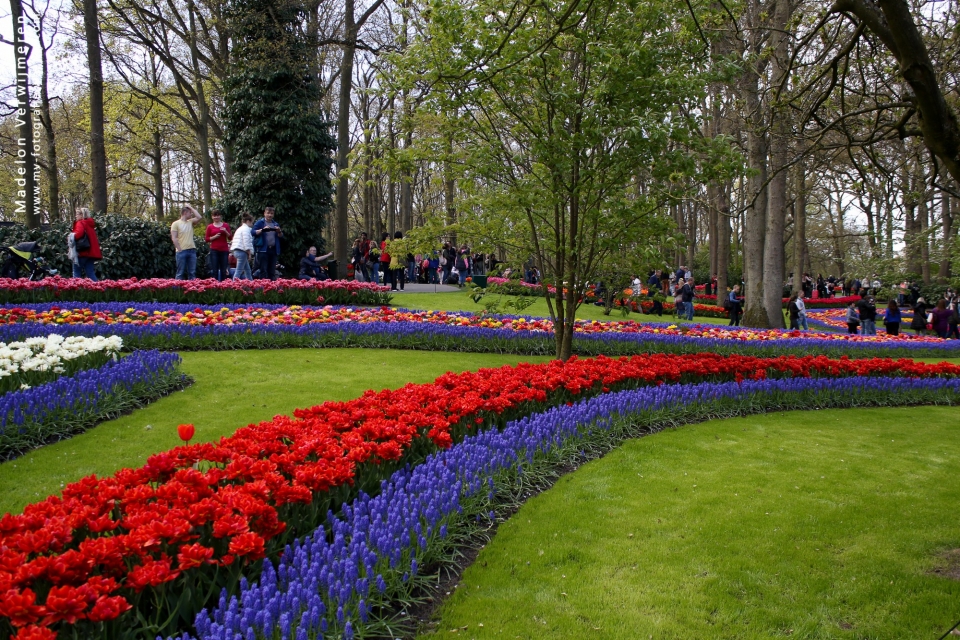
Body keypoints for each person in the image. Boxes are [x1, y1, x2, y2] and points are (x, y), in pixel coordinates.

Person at [171, 204, 203, 280]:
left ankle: (192, 290)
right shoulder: (175, 223)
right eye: (190, 212)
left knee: (192, 273)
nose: (191, 214)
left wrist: (191, 207)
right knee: (180, 273)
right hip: (181, 251)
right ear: (185, 213)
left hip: (192, 250)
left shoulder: (190, 222)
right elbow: (174, 237)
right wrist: (179, 249)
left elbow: (199, 217)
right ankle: (177, 290)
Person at [252, 207, 283, 280]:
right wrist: (263, 230)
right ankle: (263, 287)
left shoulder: (275, 223)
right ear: (264, 213)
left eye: (271, 213)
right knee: (263, 270)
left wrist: (279, 231)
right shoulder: (260, 222)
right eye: (268, 213)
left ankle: (271, 288)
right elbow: (253, 232)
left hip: (273, 250)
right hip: (263, 250)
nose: (270, 215)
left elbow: (281, 236)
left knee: (272, 271)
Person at [71, 207, 101, 280]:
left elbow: (79, 234)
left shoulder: (80, 223)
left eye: (77, 214)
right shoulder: (90, 224)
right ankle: (99, 289)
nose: (76, 216)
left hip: (82, 252)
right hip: (91, 253)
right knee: (90, 273)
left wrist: (71, 236)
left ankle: (75, 289)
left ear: (82, 215)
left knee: (76, 272)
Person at [204, 209, 232, 281]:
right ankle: (215, 287)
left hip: (224, 250)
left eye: (217, 215)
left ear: (220, 216)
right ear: (212, 217)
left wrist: (225, 231)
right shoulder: (210, 227)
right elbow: (206, 239)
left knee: (223, 270)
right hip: (214, 250)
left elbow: (230, 237)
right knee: (214, 270)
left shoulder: (225, 225)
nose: (216, 217)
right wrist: (214, 237)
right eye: (214, 216)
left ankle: (223, 286)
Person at [229, 213, 255, 280]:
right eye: (252, 222)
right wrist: (249, 253)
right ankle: (234, 285)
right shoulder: (246, 229)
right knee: (239, 270)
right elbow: (246, 242)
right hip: (242, 251)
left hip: (237, 250)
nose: (252, 224)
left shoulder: (240, 229)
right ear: (248, 221)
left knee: (247, 270)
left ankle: (251, 284)